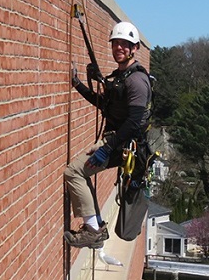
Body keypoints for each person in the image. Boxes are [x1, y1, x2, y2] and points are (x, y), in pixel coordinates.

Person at [63, 21, 152, 249]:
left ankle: (93, 229)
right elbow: (105, 105)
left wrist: (106, 148)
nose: (119, 48)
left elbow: (134, 123)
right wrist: (79, 85)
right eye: (116, 44)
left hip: (123, 144)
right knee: (81, 172)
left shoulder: (137, 81)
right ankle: (96, 225)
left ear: (134, 49)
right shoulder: (121, 77)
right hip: (116, 141)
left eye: (125, 44)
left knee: (74, 171)